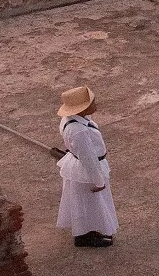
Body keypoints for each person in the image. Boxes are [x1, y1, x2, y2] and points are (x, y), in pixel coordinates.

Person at [55, 86, 117, 247]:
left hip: (80, 167)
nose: (95, 104)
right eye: (91, 102)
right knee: (87, 202)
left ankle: (88, 230)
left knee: (85, 201)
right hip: (85, 170)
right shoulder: (78, 130)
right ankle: (84, 235)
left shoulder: (74, 120)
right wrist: (98, 181)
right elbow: (88, 158)